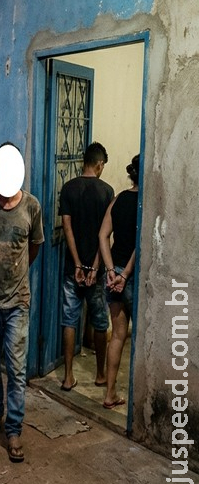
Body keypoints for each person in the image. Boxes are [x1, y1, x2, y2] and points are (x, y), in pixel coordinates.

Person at [0, 143, 44, 463]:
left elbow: (35, 247)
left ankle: (13, 429)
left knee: (15, 370)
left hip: (18, 302)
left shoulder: (32, 207)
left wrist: (16, 275)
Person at [58, 142, 114, 391]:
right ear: (99, 165)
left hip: (73, 268)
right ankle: (101, 374)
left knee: (69, 320)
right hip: (97, 271)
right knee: (100, 322)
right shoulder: (107, 192)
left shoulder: (68, 189)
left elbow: (67, 228)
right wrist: (94, 266)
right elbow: (106, 235)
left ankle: (68, 376)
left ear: (84, 162)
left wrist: (78, 264)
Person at [98, 153, 140, 410]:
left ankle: (109, 394)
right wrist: (124, 276)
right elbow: (140, 243)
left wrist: (111, 270)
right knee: (139, 339)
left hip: (114, 276)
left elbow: (103, 236)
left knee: (118, 336)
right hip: (131, 277)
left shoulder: (118, 200)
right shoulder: (145, 205)